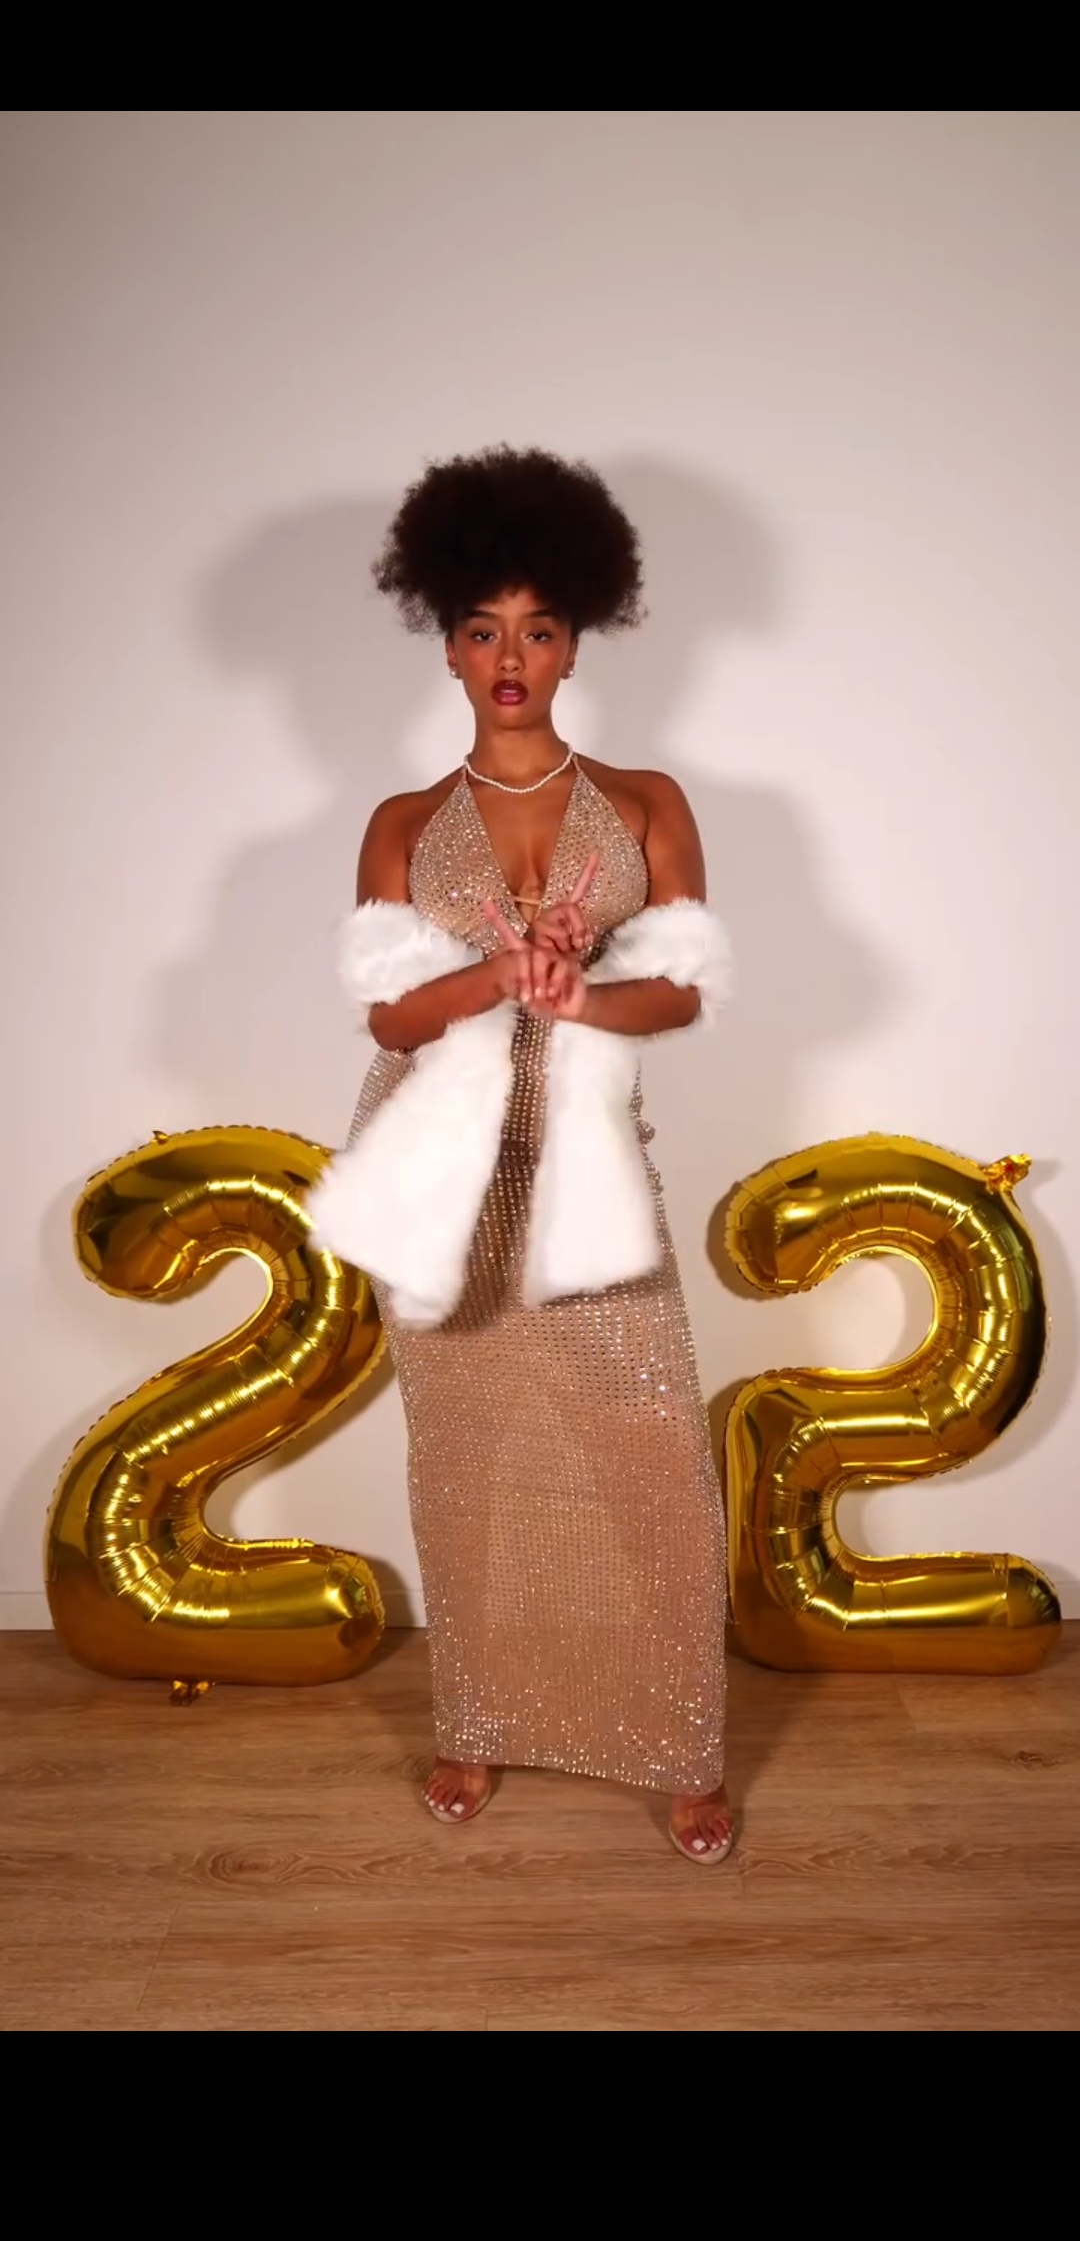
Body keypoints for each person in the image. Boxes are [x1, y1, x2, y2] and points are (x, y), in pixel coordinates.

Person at [311, 447, 733, 1865]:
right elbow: (390, 1014)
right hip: (447, 1180)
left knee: (652, 1452)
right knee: (469, 1461)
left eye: (538, 630)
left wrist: (580, 997)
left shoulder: (648, 799)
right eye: (484, 630)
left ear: (575, 643)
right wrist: (502, 975)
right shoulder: (399, 826)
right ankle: (473, 1724)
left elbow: (679, 990)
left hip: (586, 1169)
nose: (511, 658)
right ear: (446, 644)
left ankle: (683, 1745)